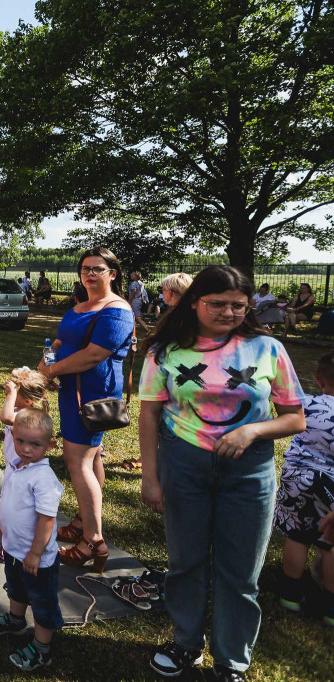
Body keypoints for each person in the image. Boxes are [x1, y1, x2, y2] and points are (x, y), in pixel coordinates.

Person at [138, 265, 305, 679]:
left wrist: (252, 430)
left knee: (240, 572)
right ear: (195, 302)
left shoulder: (267, 349)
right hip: (183, 465)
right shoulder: (166, 351)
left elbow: (295, 417)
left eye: (238, 305)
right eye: (217, 303)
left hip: (250, 473)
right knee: (186, 563)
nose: (228, 312)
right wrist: (150, 476)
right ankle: (186, 644)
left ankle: (231, 660)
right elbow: (148, 413)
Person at [38, 247, 134, 572]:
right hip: (72, 390)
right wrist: (48, 363)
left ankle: (93, 540)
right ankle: (83, 521)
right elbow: (61, 343)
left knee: (78, 460)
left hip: (91, 395)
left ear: (113, 273)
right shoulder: (80, 305)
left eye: (97, 268)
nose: (90, 274)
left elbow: (94, 355)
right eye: (85, 269)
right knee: (91, 457)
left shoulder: (117, 310)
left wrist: (51, 372)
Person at [0, 409, 64, 672]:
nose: (26, 449)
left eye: (35, 444)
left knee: (42, 601)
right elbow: (7, 505)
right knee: (16, 588)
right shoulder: (15, 467)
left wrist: (35, 553)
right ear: (13, 437)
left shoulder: (44, 479)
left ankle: (42, 649)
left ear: (50, 445)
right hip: (14, 550)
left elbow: (47, 520)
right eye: (20, 441)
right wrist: (0, 534)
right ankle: (16, 620)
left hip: (36, 560)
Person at [273, 351, 334, 627]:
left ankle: (290, 595)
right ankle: (330, 607)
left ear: (318, 380)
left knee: (296, 534)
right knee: (330, 542)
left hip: (296, 476)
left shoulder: (306, 403)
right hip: (329, 483)